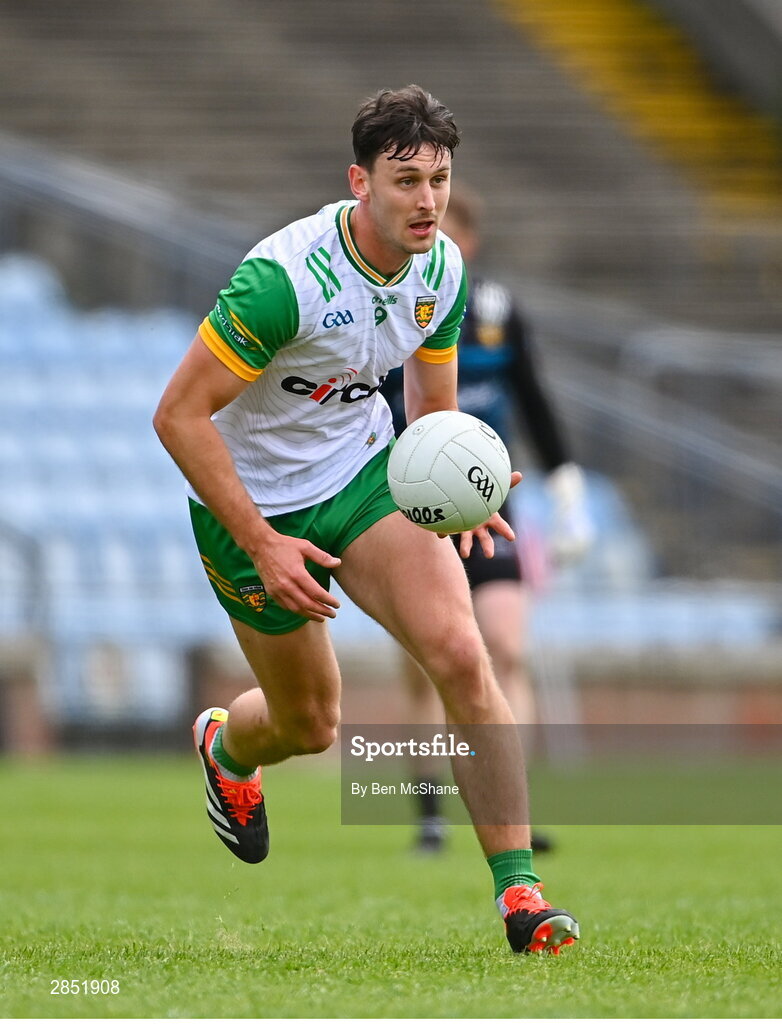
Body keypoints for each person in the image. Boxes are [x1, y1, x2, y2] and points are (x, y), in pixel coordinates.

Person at [154, 85, 579, 956]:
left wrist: (466, 485)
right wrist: (264, 543)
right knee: (310, 725)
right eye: (406, 180)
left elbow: (430, 409)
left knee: (466, 654)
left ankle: (522, 899)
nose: (427, 201)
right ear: (360, 182)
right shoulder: (284, 282)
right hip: (258, 503)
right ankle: (228, 750)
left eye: (439, 179)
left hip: (364, 477)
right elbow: (178, 417)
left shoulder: (443, 271)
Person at [381, 187, 594, 853]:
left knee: (507, 648)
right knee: (428, 665)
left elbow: (532, 399)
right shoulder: (394, 310)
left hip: (490, 501)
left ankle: (512, 810)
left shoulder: (500, 311)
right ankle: (430, 813)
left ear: (467, 243)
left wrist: (567, 491)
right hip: (413, 504)